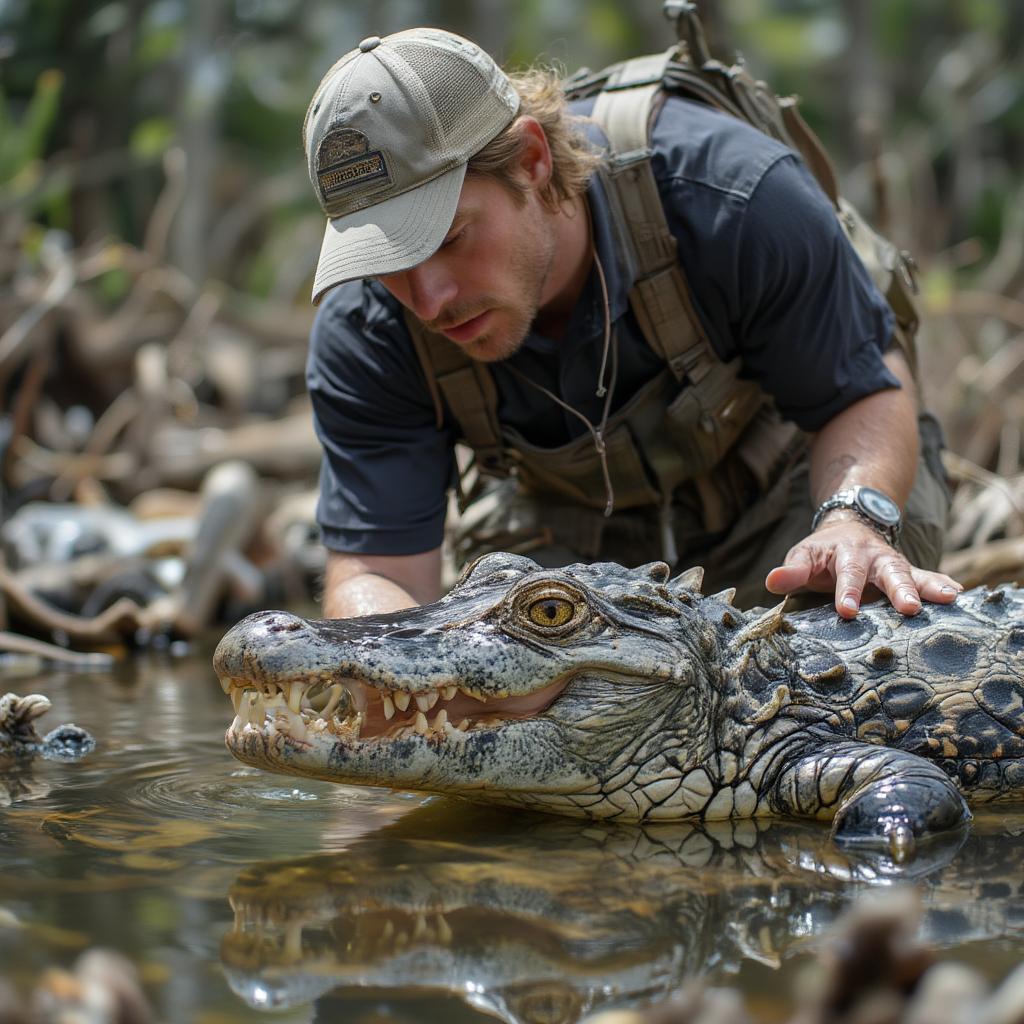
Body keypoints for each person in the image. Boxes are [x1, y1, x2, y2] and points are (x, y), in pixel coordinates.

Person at [301, 27, 961, 621]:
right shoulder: (366, 324)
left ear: (531, 161)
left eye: (448, 240)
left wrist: (850, 517)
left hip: (788, 499)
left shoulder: (734, 198)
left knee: (847, 623)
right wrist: (389, 672)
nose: (425, 299)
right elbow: (378, 575)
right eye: (389, 259)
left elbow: (865, 389)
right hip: (564, 550)